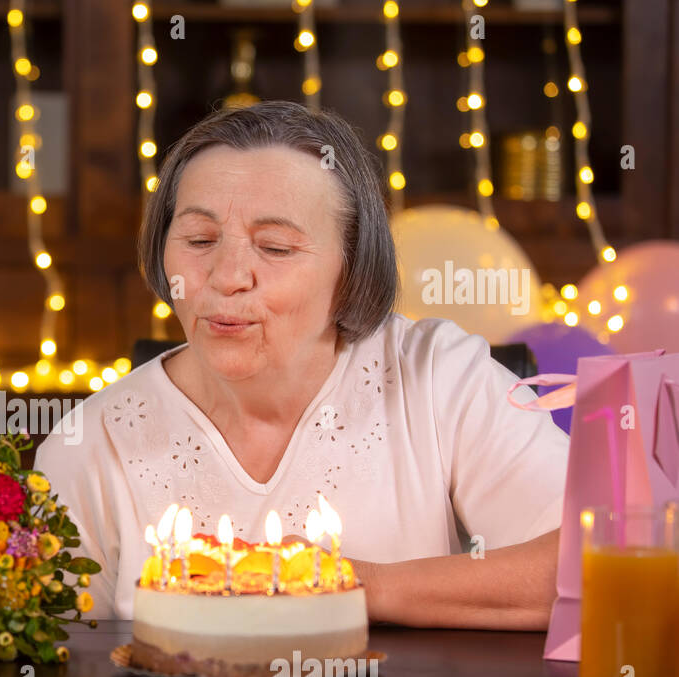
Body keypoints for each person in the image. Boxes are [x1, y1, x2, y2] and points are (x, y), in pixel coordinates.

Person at [35, 101, 568, 629]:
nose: (227, 276)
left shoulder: (438, 377)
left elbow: (594, 559)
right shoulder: (92, 442)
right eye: (199, 240)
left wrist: (345, 585)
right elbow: (55, 670)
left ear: (352, 267)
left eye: (275, 248)